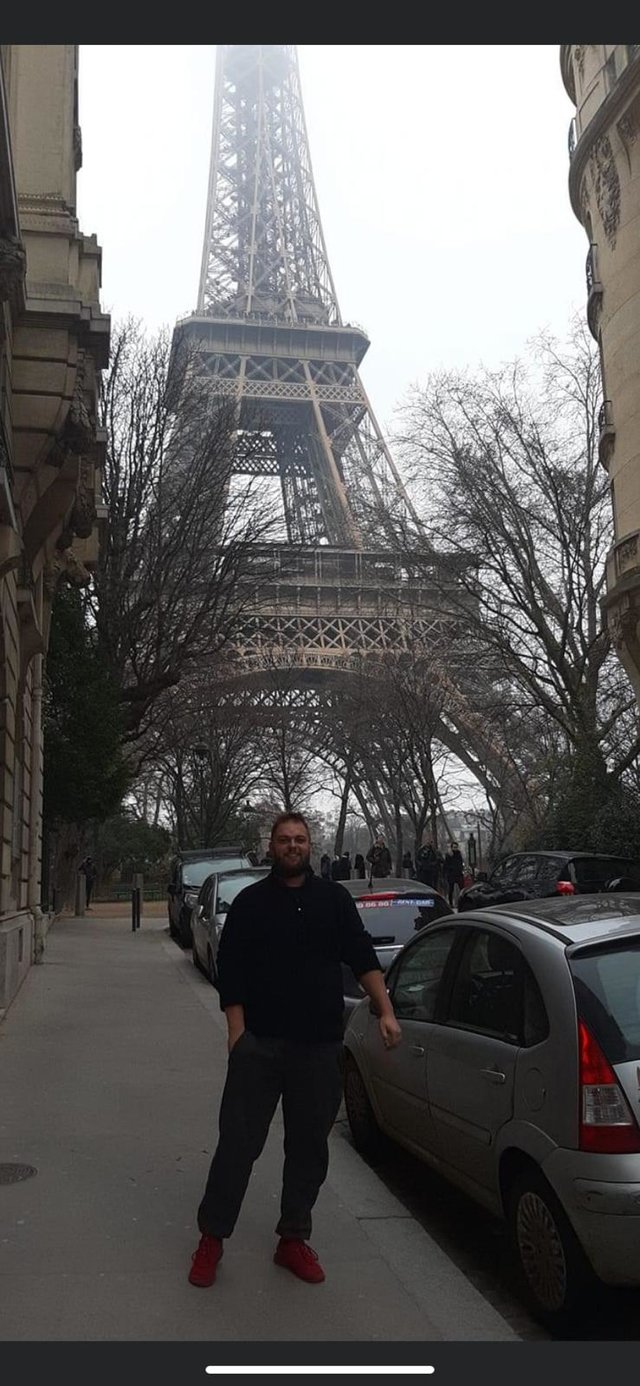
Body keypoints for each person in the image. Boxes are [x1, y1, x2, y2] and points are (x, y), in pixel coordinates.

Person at [188, 811, 401, 1290]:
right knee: (237, 1146)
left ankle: (293, 1238)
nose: (292, 846)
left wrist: (385, 1009)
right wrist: (237, 1035)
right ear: (272, 847)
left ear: (310, 845)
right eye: (284, 839)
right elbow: (232, 970)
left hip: (319, 1046)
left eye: (299, 839)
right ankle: (212, 1238)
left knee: (309, 1150)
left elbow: (361, 955)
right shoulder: (250, 903)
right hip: (260, 1045)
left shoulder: (334, 900)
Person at [443, 841, 465, 908]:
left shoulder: (459, 854)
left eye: (456, 847)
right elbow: (446, 865)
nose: (455, 848)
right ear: (452, 848)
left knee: (462, 888)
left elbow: (461, 863)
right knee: (451, 889)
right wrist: (449, 870)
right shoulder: (449, 855)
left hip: (458, 874)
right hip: (451, 874)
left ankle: (462, 902)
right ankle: (451, 903)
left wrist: (461, 869)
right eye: (454, 847)